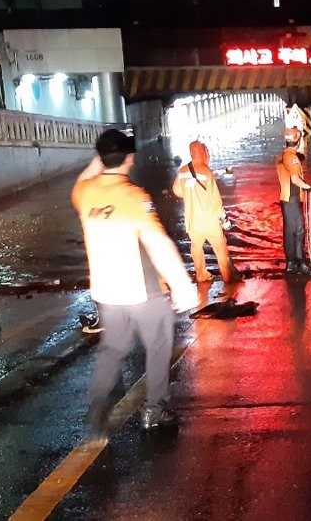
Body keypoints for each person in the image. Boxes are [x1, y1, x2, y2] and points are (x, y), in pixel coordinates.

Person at [72, 128, 198, 434]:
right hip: (142, 290)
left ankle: (99, 404)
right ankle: (154, 411)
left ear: (101, 158)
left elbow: (82, 179)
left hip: (105, 291)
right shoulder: (134, 196)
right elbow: (158, 243)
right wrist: (182, 285)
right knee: (157, 345)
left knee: (112, 347)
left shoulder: (84, 192)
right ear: (130, 158)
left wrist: (100, 156)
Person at [172, 140, 238, 285]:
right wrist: (224, 220)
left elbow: (176, 190)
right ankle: (228, 277)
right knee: (220, 247)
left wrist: (189, 194)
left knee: (196, 246)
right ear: (202, 153)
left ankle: (201, 274)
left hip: (193, 221)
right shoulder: (207, 172)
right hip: (210, 221)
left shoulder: (182, 171)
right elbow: (216, 201)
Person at [277, 127, 311, 274]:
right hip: (291, 199)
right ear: (298, 140)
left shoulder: (283, 156)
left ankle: (292, 262)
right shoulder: (291, 158)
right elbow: (294, 178)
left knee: (291, 231)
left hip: (287, 199)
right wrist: (307, 187)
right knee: (298, 231)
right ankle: (297, 261)